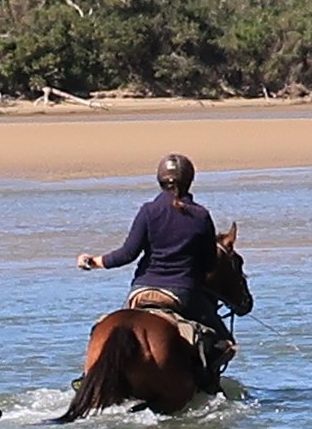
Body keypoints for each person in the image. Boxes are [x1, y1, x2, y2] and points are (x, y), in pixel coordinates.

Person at [78, 151, 235, 367]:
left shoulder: (148, 211)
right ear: (190, 180)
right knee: (224, 341)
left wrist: (93, 262)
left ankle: (87, 376)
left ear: (160, 180)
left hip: (141, 291)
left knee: (105, 328)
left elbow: (127, 254)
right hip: (183, 293)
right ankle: (206, 382)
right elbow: (209, 264)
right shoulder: (201, 215)